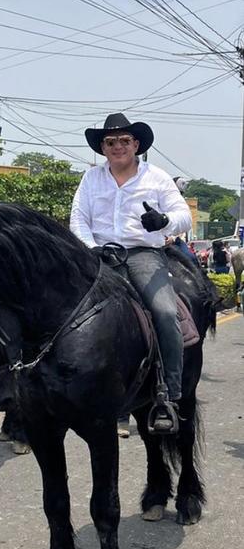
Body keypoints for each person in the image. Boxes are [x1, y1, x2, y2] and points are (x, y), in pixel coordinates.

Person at [70, 112, 192, 432]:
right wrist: (89, 248)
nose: (118, 146)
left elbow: (183, 216)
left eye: (124, 140)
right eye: (110, 142)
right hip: (99, 256)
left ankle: (169, 393)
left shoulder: (157, 177)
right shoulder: (91, 179)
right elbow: (78, 218)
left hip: (142, 255)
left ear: (136, 144)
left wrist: (164, 222)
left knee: (165, 312)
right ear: (102, 148)